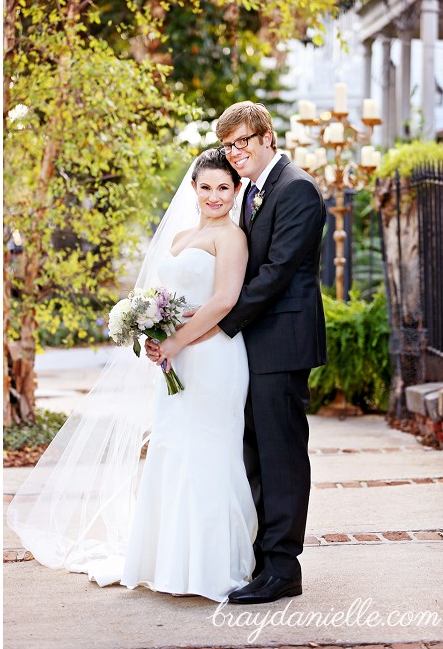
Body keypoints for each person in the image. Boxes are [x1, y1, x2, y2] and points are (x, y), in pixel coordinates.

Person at [7, 148, 257, 603]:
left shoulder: (232, 237)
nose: (215, 196)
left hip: (215, 358)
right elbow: (165, 297)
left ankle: (211, 567)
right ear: (194, 189)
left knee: (209, 453)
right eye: (206, 187)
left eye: (224, 187)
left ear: (235, 189)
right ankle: (168, 562)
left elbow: (224, 302)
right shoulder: (182, 235)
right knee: (170, 447)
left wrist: (177, 340)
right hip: (176, 360)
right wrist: (154, 334)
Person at [151, 102, 327, 604]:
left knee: (281, 456)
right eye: (229, 146)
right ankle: (254, 556)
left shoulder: (297, 189)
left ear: (267, 136)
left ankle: (282, 568)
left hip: (282, 344)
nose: (236, 153)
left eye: (243, 142)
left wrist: (209, 323)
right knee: (250, 453)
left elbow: (275, 273)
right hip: (248, 346)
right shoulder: (250, 190)